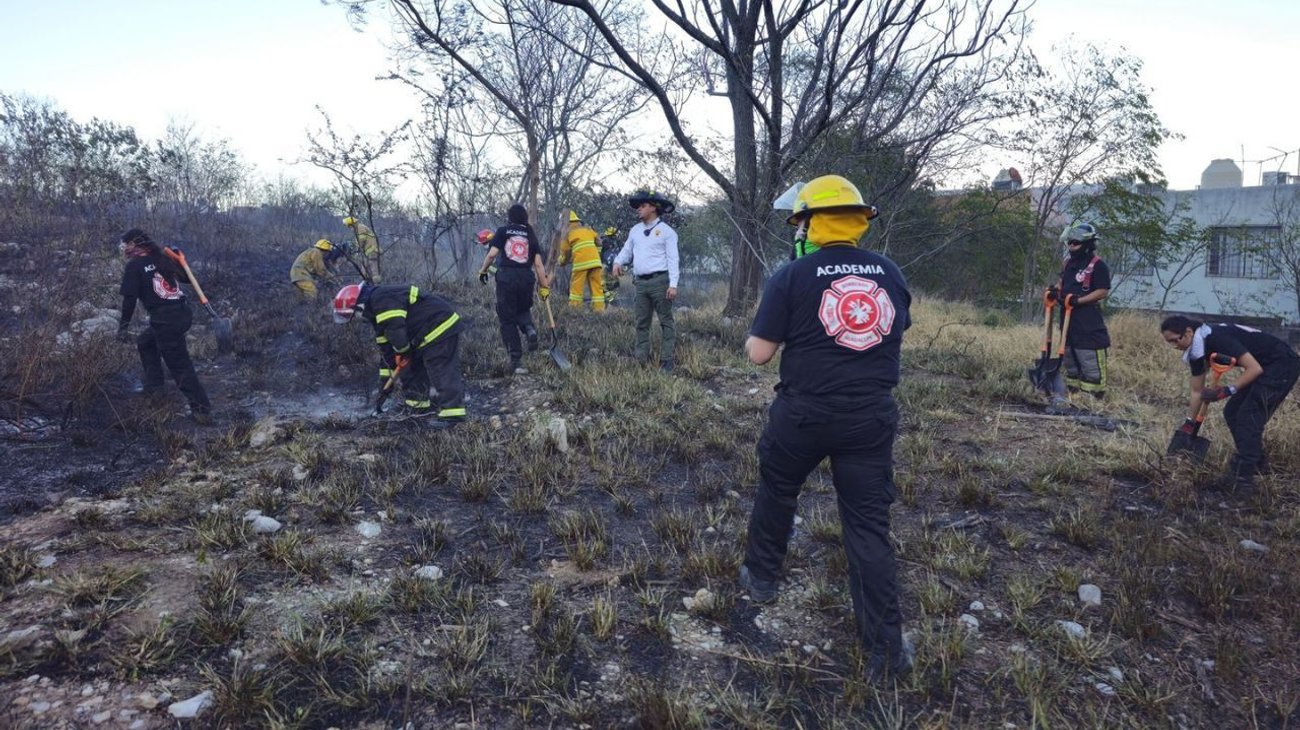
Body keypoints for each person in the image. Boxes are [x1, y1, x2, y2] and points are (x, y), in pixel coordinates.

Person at [738, 175, 913, 682]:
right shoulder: (890, 272)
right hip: (870, 418)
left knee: (778, 490)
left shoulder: (791, 275)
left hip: (804, 414)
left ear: (809, 222)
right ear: (858, 221)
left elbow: (758, 355)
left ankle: (763, 577)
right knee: (867, 524)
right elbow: (893, 329)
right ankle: (885, 652)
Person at [1160, 315, 1299, 491]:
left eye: (1175, 340)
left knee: (1248, 417)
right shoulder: (1195, 350)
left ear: (1188, 332)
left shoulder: (1217, 338)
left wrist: (1227, 390)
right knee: (1232, 412)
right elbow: (1197, 391)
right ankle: (1257, 463)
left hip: (1282, 364)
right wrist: (1189, 422)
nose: (1174, 346)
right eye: (1169, 343)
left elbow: (1254, 368)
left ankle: (1243, 479)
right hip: (1264, 367)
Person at [332, 282, 467, 429]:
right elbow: (387, 356)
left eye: (353, 316)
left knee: (441, 370)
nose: (357, 319)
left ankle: (453, 416)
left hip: (439, 326)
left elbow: (396, 328)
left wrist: (402, 351)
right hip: (420, 335)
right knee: (412, 368)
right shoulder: (376, 315)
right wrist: (384, 388)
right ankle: (417, 406)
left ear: (358, 306)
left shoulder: (381, 299)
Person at [115, 228, 212, 421]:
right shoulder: (160, 258)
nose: (123, 247)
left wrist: (123, 328)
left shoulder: (135, 266)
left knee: (180, 365)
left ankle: (202, 410)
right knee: (146, 342)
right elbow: (186, 279)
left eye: (125, 243)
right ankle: (155, 388)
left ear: (134, 244)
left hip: (166, 320)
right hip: (181, 314)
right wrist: (178, 262)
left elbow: (129, 300)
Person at [477, 204, 552, 374]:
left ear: (509, 218)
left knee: (507, 319)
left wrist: (482, 271)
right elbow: (539, 265)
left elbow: (491, 255)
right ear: (525, 218)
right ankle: (529, 328)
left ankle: (516, 360)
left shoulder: (503, 231)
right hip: (527, 279)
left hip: (507, 279)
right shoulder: (530, 234)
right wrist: (544, 288)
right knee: (523, 309)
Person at [612, 190, 679, 370]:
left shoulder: (667, 232)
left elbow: (673, 259)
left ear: (653, 208)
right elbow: (626, 251)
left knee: (666, 321)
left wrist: (673, 285)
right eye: (639, 206)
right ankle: (641, 359)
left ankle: (667, 360)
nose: (638, 210)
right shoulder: (635, 231)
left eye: (642, 206)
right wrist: (617, 262)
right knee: (641, 322)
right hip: (640, 283)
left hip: (660, 282)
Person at [1047, 222, 1111, 409]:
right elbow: (1062, 283)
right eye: (1069, 242)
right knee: (1069, 357)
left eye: (1075, 242)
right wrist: (1055, 291)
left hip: (1088, 320)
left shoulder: (1098, 265)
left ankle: (1093, 400)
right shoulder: (1068, 263)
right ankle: (1074, 397)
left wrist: (1079, 300)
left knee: (1089, 358)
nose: (1071, 245)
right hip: (1067, 318)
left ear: (1088, 243)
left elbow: (1102, 291)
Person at [558, 211, 605, 311]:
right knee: (597, 288)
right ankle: (599, 311)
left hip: (581, 264)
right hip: (596, 262)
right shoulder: (587, 229)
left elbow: (565, 252)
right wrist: (597, 253)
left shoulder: (567, 234)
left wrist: (561, 262)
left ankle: (574, 310)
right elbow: (599, 241)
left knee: (576, 287)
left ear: (566, 223)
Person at [342, 215, 382, 282]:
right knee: (364, 270)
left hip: (372, 251)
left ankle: (377, 284)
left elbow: (361, 240)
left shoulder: (360, 228)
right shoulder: (359, 228)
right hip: (369, 252)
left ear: (352, 225)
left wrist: (357, 249)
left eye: (349, 226)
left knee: (374, 270)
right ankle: (365, 283)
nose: (350, 228)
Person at [599, 226, 622, 305]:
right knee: (607, 288)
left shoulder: (607, 242)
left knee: (605, 287)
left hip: (606, 267)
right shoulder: (614, 242)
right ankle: (612, 302)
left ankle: (612, 302)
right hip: (609, 268)